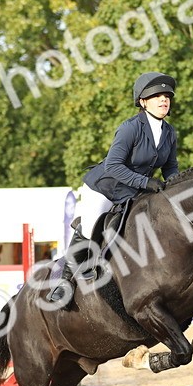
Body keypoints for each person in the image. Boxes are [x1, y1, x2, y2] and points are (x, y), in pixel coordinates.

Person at [49, 72, 180, 304]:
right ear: (143, 102)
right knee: (91, 229)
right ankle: (62, 281)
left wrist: (177, 192)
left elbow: (171, 168)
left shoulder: (169, 133)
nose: (164, 100)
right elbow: (113, 165)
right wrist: (146, 182)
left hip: (135, 192)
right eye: (157, 96)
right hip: (105, 187)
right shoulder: (130, 128)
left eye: (166, 96)